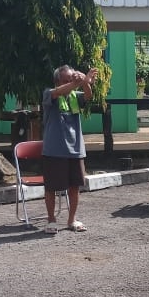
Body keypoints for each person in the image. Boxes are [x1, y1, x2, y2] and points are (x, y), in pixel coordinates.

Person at [41, 64, 96, 234]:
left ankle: (72, 219)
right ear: (58, 81)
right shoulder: (49, 93)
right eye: (67, 80)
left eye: (72, 78)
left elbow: (88, 96)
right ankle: (51, 220)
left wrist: (86, 83)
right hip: (54, 149)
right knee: (51, 187)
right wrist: (80, 81)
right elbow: (59, 92)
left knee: (75, 187)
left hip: (75, 148)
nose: (71, 82)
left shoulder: (75, 95)